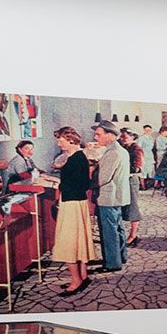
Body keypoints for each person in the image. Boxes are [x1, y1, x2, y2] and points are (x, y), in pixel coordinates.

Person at [48, 127, 95, 294]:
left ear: (71, 140)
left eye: (60, 141)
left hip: (71, 203)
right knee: (80, 240)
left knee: (68, 242)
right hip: (78, 202)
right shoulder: (79, 156)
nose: (58, 144)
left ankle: (75, 280)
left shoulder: (75, 159)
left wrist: (56, 183)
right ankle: (83, 275)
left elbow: (78, 183)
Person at [90, 123, 133, 272]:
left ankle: (112, 263)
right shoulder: (120, 150)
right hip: (118, 196)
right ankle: (121, 256)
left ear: (110, 135)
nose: (96, 137)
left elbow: (103, 178)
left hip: (108, 197)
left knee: (109, 231)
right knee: (118, 228)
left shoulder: (112, 152)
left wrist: (86, 183)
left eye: (98, 134)